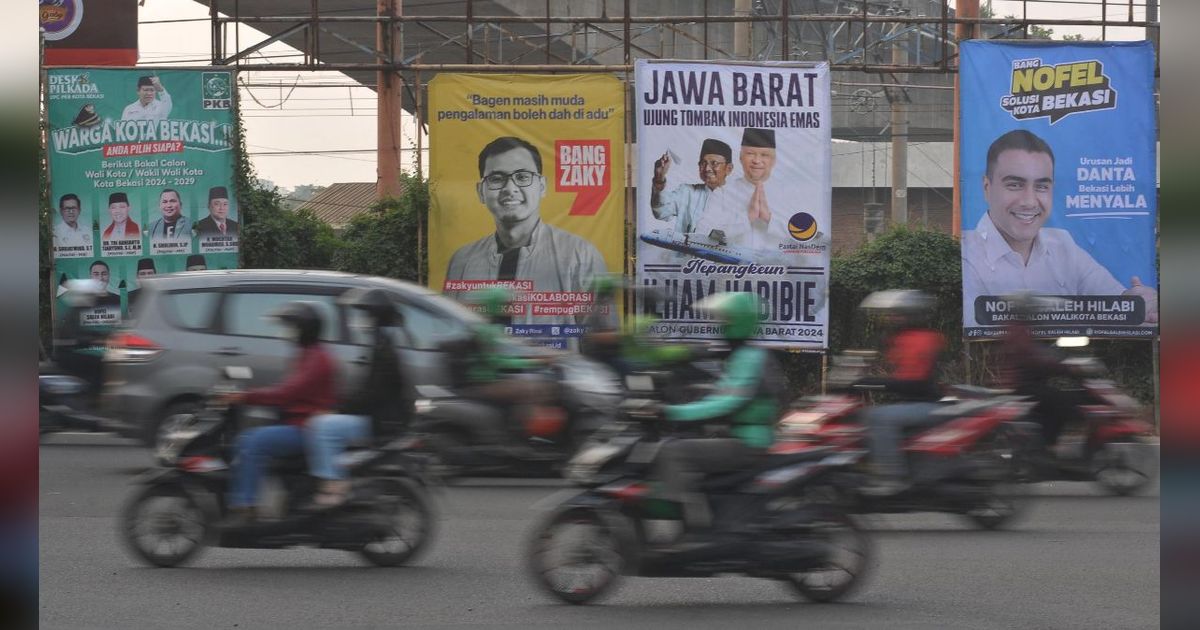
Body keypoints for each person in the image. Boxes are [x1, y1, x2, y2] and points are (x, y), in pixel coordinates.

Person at [962, 129, 1158, 325]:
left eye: (1041, 186)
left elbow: (1115, 300)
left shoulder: (1063, 244)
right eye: (1014, 185)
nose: (1030, 202)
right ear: (987, 188)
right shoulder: (966, 254)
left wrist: (1137, 300)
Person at [444, 137, 607, 326]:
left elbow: (600, 339)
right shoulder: (462, 261)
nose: (510, 189)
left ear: (542, 186)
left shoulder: (580, 255)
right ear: (481, 191)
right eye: (497, 179)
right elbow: (451, 332)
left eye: (522, 177)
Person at [653, 292, 780, 532]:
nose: (721, 325)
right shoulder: (743, 354)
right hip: (740, 435)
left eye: (726, 320)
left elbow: (728, 402)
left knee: (674, 452)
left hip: (747, 443)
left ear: (739, 321)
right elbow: (722, 394)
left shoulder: (748, 356)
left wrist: (674, 412)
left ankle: (682, 529)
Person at [219, 302, 337, 525]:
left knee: (254, 442)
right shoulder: (309, 354)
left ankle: (244, 506)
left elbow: (288, 392)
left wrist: (245, 396)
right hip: (300, 422)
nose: (287, 332)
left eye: (292, 327)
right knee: (242, 441)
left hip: (306, 428)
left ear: (305, 329)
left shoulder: (317, 360)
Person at [305, 288, 411, 508]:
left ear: (375, 317)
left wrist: (338, 408)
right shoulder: (385, 342)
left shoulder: (384, 348)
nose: (360, 321)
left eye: (365, 315)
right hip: (385, 417)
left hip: (380, 421)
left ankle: (333, 485)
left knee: (322, 427)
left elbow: (372, 393)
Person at [853, 290, 948, 495]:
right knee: (862, 416)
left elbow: (913, 382)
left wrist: (874, 382)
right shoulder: (903, 338)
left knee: (878, 417)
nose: (891, 318)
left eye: (897, 314)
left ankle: (891, 477)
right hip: (912, 402)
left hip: (927, 404)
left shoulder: (922, 339)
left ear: (910, 315)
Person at [455, 286, 556, 449]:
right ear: (496, 304)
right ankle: (521, 436)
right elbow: (497, 361)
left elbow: (515, 348)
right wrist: (534, 362)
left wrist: (540, 354)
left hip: (490, 380)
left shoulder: (492, 327)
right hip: (482, 384)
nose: (511, 308)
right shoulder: (485, 330)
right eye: (506, 304)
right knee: (530, 389)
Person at [996, 293, 1083, 448]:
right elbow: (1033, 358)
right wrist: (1064, 367)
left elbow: (1036, 353)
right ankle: (1049, 445)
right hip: (1023, 386)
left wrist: (1056, 360)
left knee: (1059, 398)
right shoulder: (1018, 330)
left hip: (1024, 383)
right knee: (1063, 402)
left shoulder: (1019, 328)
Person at [694, 128, 791, 251]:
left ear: (773, 160)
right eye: (750, 153)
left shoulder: (787, 195)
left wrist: (768, 220)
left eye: (764, 155)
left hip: (774, 267)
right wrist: (746, 221)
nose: (756, 160)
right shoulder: (723, 193)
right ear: (740, 157)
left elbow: (806, 240)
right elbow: (701, 234)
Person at [649, 138, 734, 235]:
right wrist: (659, 178)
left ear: (729, 168)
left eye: (714, 163)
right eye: (703, 163)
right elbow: (661, 212)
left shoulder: (738, 199)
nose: (707, 169)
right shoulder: (687, 192)